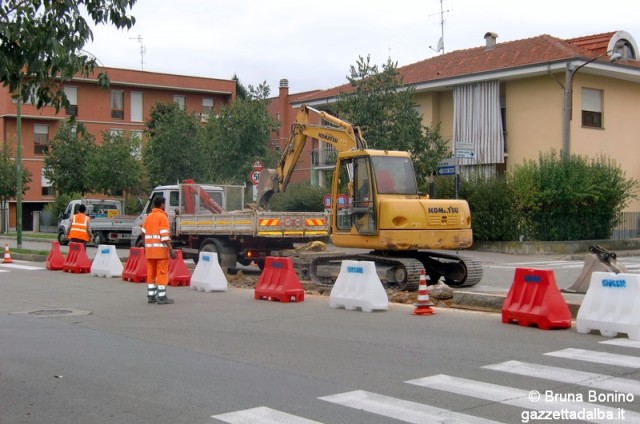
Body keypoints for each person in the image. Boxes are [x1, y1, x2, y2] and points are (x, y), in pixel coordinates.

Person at [141, 196, 177, 304]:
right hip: (161, 252)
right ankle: (161, 297)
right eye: (164, 204)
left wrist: (146, 245)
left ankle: (151, 296)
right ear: (162, 204)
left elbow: (143, 232)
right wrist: (171, 250)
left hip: (150, 252)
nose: (165, 206)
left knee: (151, 273)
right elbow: (165, 236)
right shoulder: (163, 217)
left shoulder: (149, 217)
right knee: (162, 273)